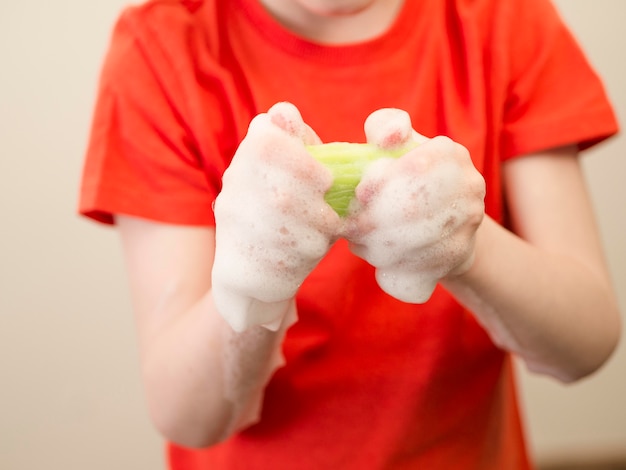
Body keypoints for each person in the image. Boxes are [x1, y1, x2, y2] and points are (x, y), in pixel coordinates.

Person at [78, 0, 621, 468]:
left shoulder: (503, 19)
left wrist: (468, 247)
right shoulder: (163, 47)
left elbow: (585, 341)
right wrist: (252, 286)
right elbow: (186, 415)